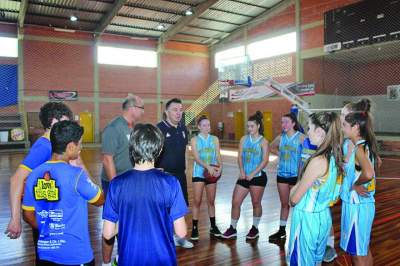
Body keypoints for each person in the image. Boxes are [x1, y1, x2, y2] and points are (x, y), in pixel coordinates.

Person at [102, 124, 188, 265]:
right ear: (160, 149)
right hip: (163, 259)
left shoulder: (116, 184)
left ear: (131, 148)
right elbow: (181, 232)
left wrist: (126, 220)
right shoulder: (171, 182)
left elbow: (107, 233)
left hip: (129, 259)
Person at [22, 120, 104, 265]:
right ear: (71, 147)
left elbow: (28, 215)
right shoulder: (77, 175)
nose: (81, 147)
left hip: (46, 254)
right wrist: (81, 166)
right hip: (75, 255)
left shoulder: (33, 175)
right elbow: (100, 200)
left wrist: (48, 228)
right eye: (80, 143)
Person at [5, 102, 74, 263]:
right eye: (65, 121)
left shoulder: (55, 143)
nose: (68, 126)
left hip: (52, 209)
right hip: (43, 213)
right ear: (53, 122)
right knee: (47, 257)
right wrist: (15, 219)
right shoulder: (44, 146)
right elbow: (16, 179)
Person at [286, 112, 343, 265]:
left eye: (309, 128)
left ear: (319, 132)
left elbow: (293, 199)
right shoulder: (334, 156)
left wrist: (295, 186)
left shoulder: (317, 160)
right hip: (323, 217)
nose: (307, 132)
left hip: (307, 219)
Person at [100, 94, 144, 265]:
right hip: (115, 183)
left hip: (131, 183)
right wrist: (116, 186)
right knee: (112, 225)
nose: (143, 111)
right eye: (141, 108)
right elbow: (107, 159)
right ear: (132, 108)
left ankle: (121, 258)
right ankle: (105, 263)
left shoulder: (134, 128)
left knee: (127, 224)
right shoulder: (114, 128)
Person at [221, 111, 269, 240]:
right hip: (244, 176)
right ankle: (232, 228)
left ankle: (255, 228)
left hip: (257, 177)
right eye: (248, 126)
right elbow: (240, 157)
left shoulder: (263, 141)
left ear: (258, 126)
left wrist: (253, 173)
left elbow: (265, 161)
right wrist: (242, 171)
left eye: (252, 126)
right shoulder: (244, 139)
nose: (249, 129)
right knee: (235, 202)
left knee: (256, 203)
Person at [340, 105, 378, 266]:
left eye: (345, 126)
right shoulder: (362, 146)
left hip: (358, 207)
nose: (342, 128)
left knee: (358, 255)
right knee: (363, 250)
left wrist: (355, 185)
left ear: (355, 127)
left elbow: (369, 173)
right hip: (361, 206)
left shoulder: (359, 149)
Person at [156, 98, 193, 248]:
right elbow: (153, 152)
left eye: (180, 110)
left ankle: (179, 237)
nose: (178, 113)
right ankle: (165, 237)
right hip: (164, 177)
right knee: (164, 209)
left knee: (180, 207)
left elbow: (185, 150)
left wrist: (186, 166)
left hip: (180, 176)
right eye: (174, 110)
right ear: (166, 112)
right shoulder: (159, 129)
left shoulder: (183, 129)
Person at [269, 113, 305, 241]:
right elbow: (270, 147)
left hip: (296, 176)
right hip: (282, 175)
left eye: (286, 122)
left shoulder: (302, 138)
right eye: (282, 122)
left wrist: (302, 176)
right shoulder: (280, 138)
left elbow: (307, 156)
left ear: (293, 123)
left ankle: (299, 231)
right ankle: (282, 231)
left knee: (297, 205)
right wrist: (280, 154)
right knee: (284, 204)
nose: (283, 125)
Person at [190, 115, 222, 240]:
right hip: (199, 172)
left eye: (208, 125)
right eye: (204, 125)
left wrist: (221, 167)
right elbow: (197, 158)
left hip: (212, 173)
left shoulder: (214, 139)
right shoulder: (194, 140)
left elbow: (218, 155)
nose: (207, 127)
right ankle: (194, 228)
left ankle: (213, 227)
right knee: (197, 201)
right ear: (199, 127)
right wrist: (207, 167)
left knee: (211, 201)